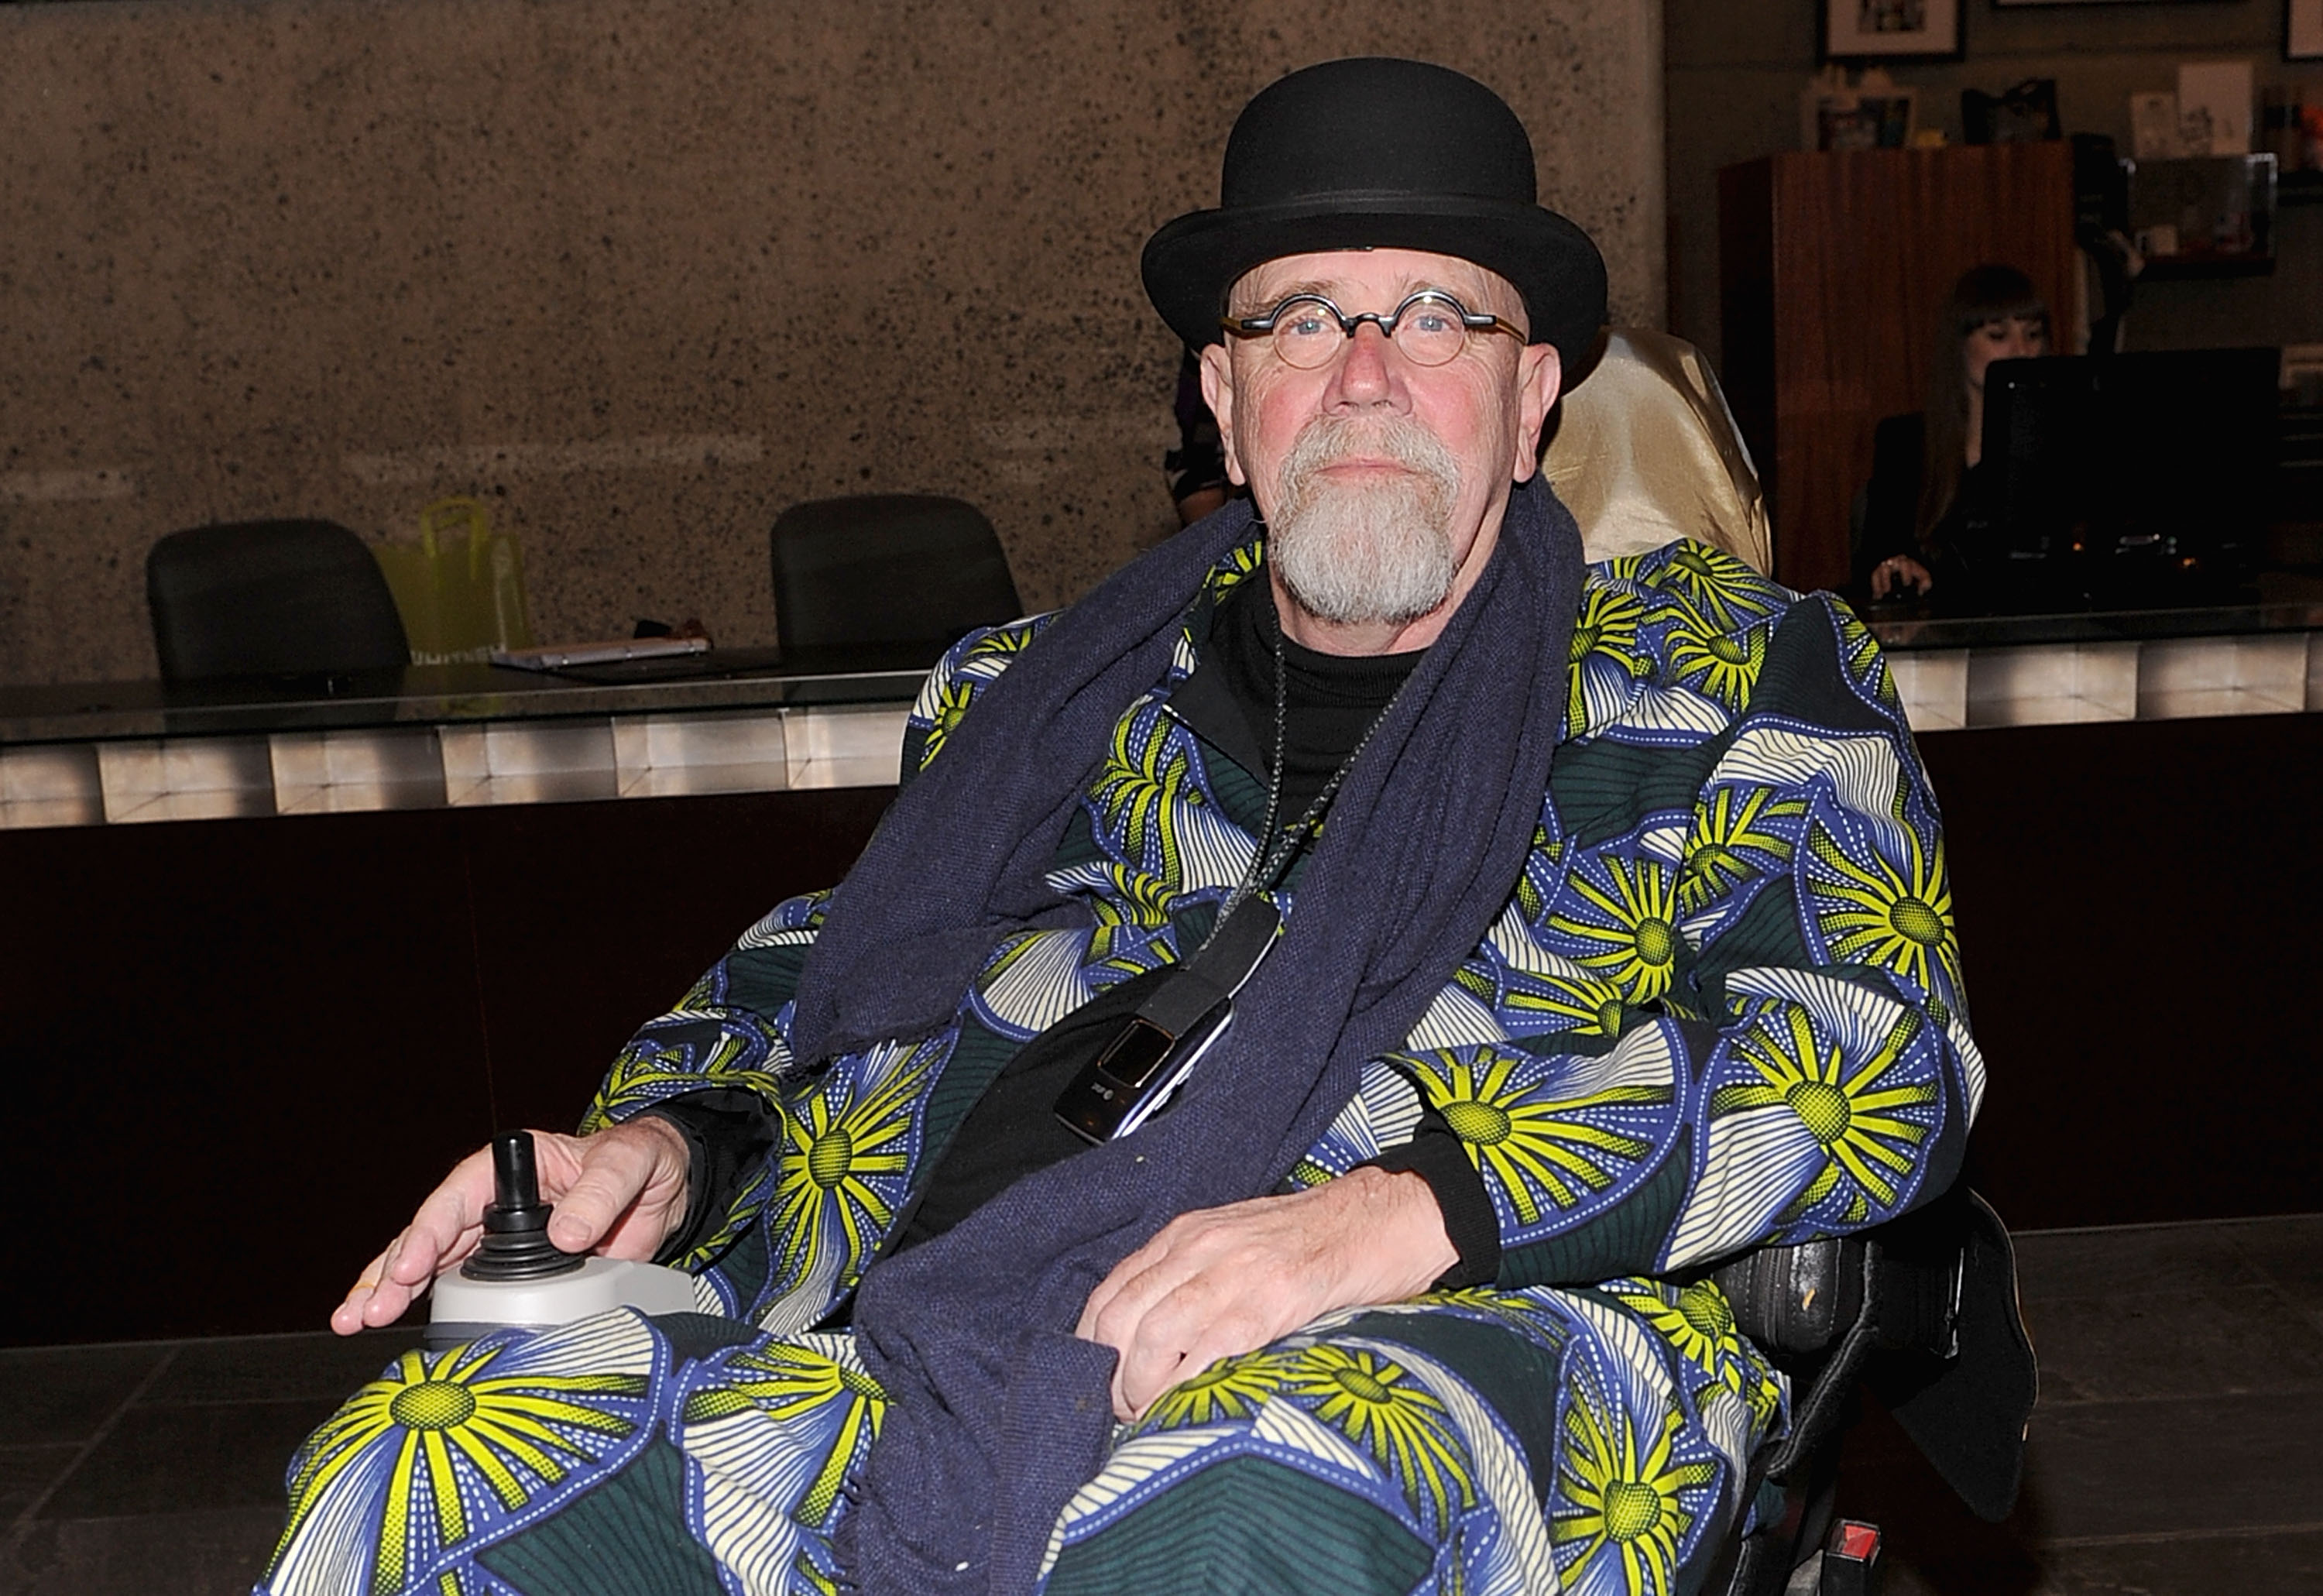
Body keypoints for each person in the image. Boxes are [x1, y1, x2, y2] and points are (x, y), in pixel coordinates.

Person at [269, 58, 1978, 1596]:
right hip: (942, 1336)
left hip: (1448, 1340)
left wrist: (1398, 1212)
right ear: (1223, 404)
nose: (1369, 373)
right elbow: (805, 995)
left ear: (1534, 399)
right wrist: (667, 1150)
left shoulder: (1729, 677)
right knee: (414, 1471)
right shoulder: (1035, 701)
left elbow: (1877, 1057)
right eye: (1300, 318)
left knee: (1236, 1527)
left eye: (1438, 317)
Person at [1855, 264, 2050, 607]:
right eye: (1998, 336)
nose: (2022, 351)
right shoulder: (1905, 442)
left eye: (2033, 335)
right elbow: (1876, 554)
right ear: (1959, 346)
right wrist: (1895, 568)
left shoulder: (2057, 441)